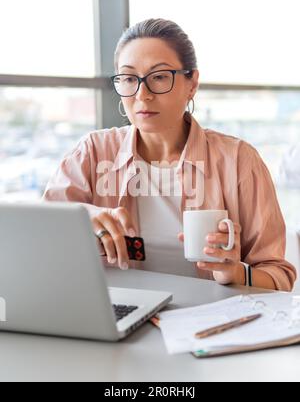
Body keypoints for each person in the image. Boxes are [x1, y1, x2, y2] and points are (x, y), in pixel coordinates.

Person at [43, 18, 296, 291]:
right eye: (129, 79)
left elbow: (278, 276)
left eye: (159, 77)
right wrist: (82, 215)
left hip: (211, 323)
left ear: (192, 84)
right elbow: (38, 237)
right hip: (118, 315)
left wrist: (234, 273)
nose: (142, 94)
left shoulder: (238, 161)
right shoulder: (92, 152)